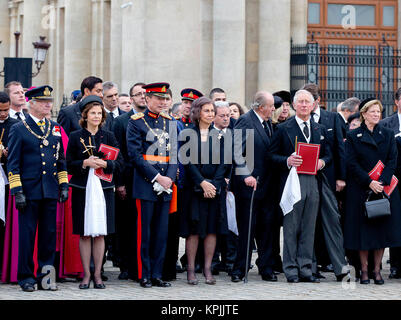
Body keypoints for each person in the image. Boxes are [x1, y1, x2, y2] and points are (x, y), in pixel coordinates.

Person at [7, 85, 69, 292]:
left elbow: (61, 160)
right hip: (29, 190)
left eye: (50, 102)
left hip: (50, 190)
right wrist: (17, 191)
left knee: (49, 236)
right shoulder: (18, 128)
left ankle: (46, 278)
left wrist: (63, 185)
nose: (48, 105)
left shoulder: (55, 128)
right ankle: (25, 277)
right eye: (44, 102)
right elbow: (13, 163)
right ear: (31, 103)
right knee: (27, 235)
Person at [269, 89, 331, 283]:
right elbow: (271, 155)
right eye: (300, 102)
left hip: (312, 181)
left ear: (314, 105)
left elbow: (328, 154)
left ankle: (306, 269)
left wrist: (323, 162)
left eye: (307, 102)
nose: (304, 105)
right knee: (291, 227)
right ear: (294, 105)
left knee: (309, 227)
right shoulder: (283, 129)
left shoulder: (319, 129)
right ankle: (291, 270)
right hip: (291, 182)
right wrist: (287, 160)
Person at [66, 95, 123, 289]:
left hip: (103, 187)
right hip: (83, 187)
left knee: (100, 233)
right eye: (93, 113)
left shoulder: (108, 136)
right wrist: (84, 163)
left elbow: (120, 163)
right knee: (84, 232)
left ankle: (98, 275)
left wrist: (106, 163)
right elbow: (67, 164)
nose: (97, 116)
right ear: (85, 115)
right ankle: (86, 274)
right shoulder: (75, 136)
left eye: (100, 113)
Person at [344, 98, 401, 285]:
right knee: (363, 232)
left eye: (379, 112)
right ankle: (364, 270)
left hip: (383, 190)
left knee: (380, 231)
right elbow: (351, 162)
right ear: (364, 113)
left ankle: (377, 270)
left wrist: (381, 181)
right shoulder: (354, 136)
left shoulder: (387, 133)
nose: (377, 115)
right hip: (361, 189)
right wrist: (369, 182)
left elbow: (393, 160)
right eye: (373, 112)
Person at [126, 82, 178, 288]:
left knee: (161, 232)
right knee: (144, 232)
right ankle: (144, 273)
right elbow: (135, 155)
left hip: (166, 185)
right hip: (146, 183)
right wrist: (157, 177)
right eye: (158, 98)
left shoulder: (170, 122)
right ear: (147, 99)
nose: (163, 102)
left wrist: (170, 179)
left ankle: (157, 273)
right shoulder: (136, 122)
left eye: (165, 99)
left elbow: (175, 155)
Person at [179, 97, 227, 285]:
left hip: (214, 189)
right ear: (197, 112)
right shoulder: (187, 133)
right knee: (194, 230)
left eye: (212, 111)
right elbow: (187, 161)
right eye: (206, 111)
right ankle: (191, 269)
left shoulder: (219, 135)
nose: (210, 114)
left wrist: (213, 185)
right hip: (194, 190)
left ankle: (208, 268)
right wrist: (202, 183)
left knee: (211, 229)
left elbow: (224, 162)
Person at [230, 91, 277, 283]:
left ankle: (266, 268)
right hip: (249, 186)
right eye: (271, 105)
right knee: (247, 229)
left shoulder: (268, 124)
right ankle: (239, 269)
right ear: (260, 106)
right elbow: (235, 150)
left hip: (267, 186)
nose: (274, 109)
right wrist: (245, 175)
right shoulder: (246, 121)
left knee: (267, 229)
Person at [380, 87, 401, 279]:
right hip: (394, 181)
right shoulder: (387, 124)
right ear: (396, 102)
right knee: (395, 221)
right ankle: (395, 264)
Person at [0, 92, 18, 273]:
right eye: (0, 110)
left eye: (6, 110)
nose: (3, 114)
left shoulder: (15, 125)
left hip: (6, 179)